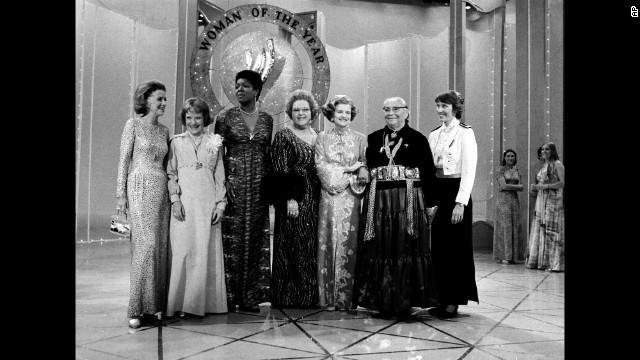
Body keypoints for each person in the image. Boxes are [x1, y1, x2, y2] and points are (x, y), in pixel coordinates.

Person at [353, 97, 439, 320]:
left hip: (407, 201)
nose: (390, 112)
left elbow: (429, 172)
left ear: (406, 112)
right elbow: (365, 163)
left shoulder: (418, 139)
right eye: (386, 109)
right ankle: (381, 301)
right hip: (379, 202)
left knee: (405, 248)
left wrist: (430, 204)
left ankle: (404, 302)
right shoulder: (373, 138)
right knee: (380, 248)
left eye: (396, 109)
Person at [214, 70, 273, 312]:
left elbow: (268, 154)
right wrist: (223, 182)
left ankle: (250, 297)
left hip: (259, 187)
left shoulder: (268, 119)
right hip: (234, 185)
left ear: (257, 90)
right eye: (237, 86)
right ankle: (229, 296)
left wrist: (269, 188)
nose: (239, 89)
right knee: (233, 240)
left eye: (245, 86)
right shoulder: (225, 117)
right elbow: (216, 153)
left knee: (257, 239)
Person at [115, 79, 171, 329]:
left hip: (162, 194)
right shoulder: (133, 125)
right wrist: (120, 196)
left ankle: (153, 307)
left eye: (165, 99)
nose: (163, 103)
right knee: (144, 246)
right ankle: (135, 308)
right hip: (139, 187)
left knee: (158, 247)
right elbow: (124, 160)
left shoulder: (165, 131)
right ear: (146, 99)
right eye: (159, 98)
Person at [165, 98, 227, 317]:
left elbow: (220, 175)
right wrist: (175, 200)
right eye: (189, 117)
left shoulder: (215, 142)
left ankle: (201, 305)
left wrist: (220, 204)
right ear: (184, 119)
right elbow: (171, 174)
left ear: (205, 119)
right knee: (183, 250)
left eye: (197, 117)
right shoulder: (176, 142)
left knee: (204, 252)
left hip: (207, 203)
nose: (193, 122)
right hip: (185, 203)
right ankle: (180, 303)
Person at [427, 90, 479, 318]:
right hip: (439, 192)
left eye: (444, 106)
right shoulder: (434, 134)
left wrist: (461, 203)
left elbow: (469, 169)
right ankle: (440, 297)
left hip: (456, 193)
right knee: (438, 248)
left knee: (456, 249)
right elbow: (430, 170)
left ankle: (453, 301)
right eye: (438, 105)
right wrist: (429, 200)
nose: (440, 110)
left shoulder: (465, 133)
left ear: (455, 107)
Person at [314, 95, 368, 311]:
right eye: (340, 112)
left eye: (347, 112)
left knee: (349, 243)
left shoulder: (360, 139)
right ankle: (327, 298)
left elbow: (364, 167)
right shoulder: (322, 138)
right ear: (332, 115)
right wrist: (349, 169)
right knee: (327, 242)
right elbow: (321, 167)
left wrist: (359, 170)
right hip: (328, 197)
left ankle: (346, 299)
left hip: (351, 198)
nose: (344, 116)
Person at [269, 89, 321, 308]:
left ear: (312, 112)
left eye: (305, 109)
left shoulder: (318, 136)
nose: (301, 113)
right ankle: (287, 296)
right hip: (293, 198)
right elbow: (279, 170)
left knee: (309, 245)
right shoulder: (283, 135)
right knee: (289, 245)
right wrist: (290, 198)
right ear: (290, 112)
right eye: (297, 109)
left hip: (315, 197)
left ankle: (308, 296)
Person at [526, 142, 564, 272]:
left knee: (552, 230)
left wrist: (545, 186)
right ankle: (543, 262)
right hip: (541, 200)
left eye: (547, 149)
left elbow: (562, 182)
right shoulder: (544, 166)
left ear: (552, 151)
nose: (544, 151)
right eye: (542, 149)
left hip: (553, 200)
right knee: (541, 229)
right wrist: (536, 188)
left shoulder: (557, 164)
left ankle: (555, 263)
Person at [493, 149, 524, 264]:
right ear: (504, 158)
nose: (510, 158)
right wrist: (512, 186)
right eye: (508, 156)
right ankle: (504, 255)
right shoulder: (500, 169)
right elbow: (504, 186)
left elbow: (521, 187)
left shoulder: (517, 170)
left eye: (512, 156)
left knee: (514, 226)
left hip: (514, 201)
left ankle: (514, 256)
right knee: (505, 226)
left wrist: (507, 186)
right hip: (503, 201)